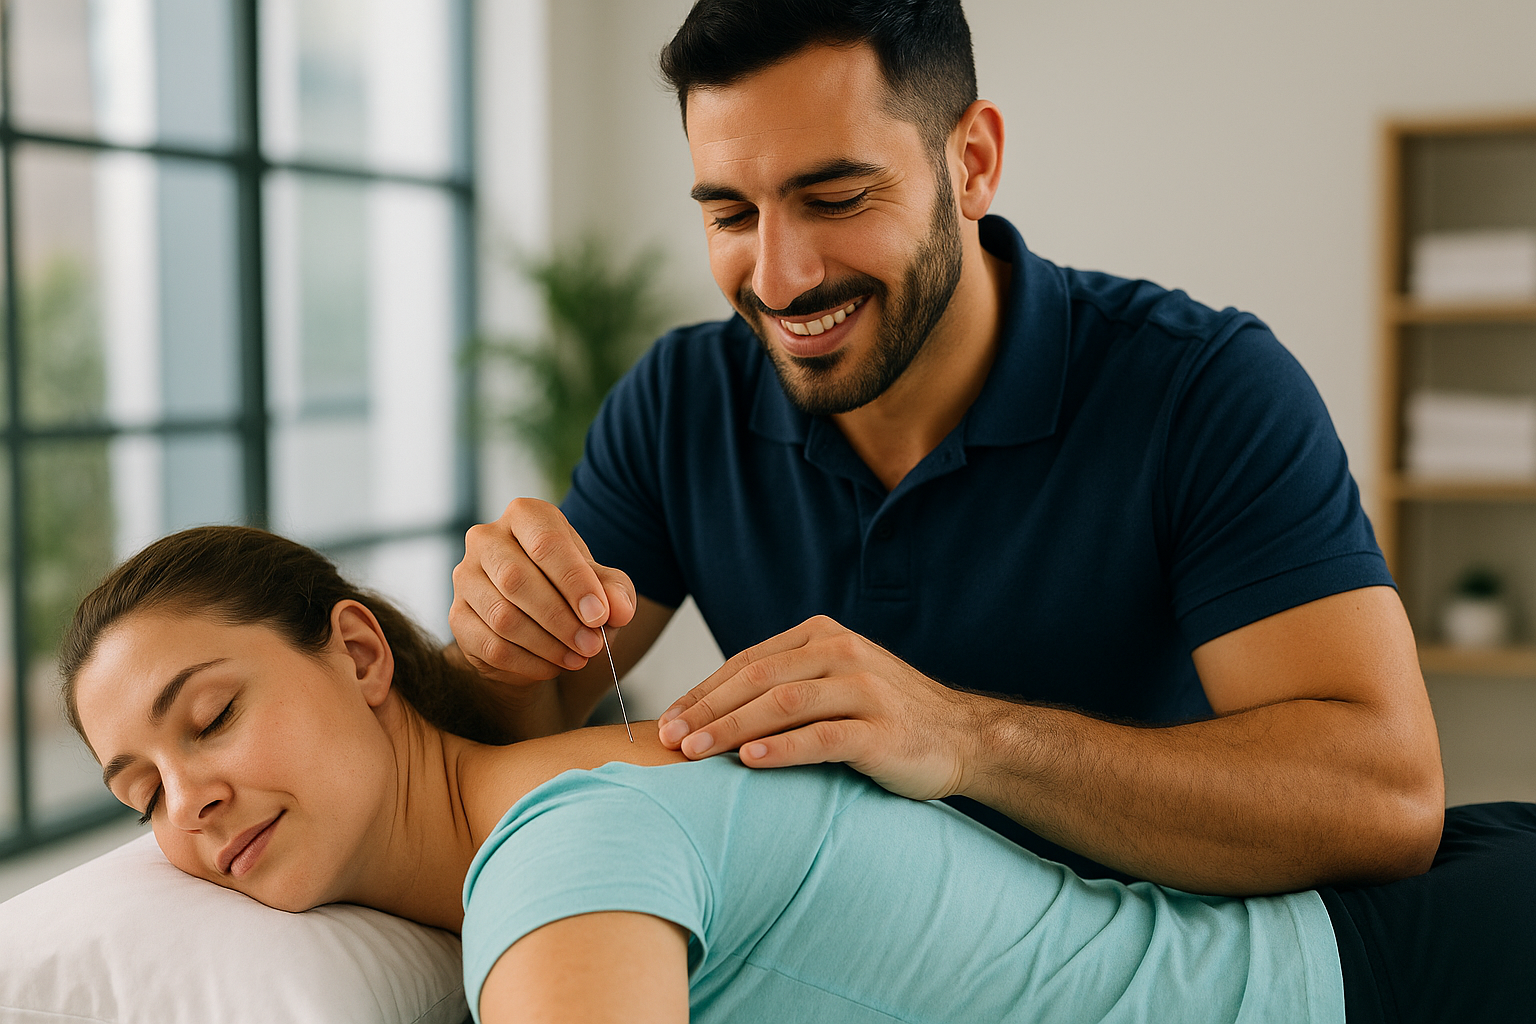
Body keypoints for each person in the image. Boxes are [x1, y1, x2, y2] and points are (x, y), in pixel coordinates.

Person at [449, 0, 1443, 893]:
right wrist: (504, 644)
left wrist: (966, 737)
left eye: (836, 199)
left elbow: (1386, 801)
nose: (781, 279)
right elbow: (513, 729)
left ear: (972, 163)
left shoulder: (1204, 387)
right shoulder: (680, 401)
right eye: (731, 214)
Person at [64, 527, 1536, 1024]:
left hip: (1399, 979)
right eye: (139, 793)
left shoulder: (561, 866)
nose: (187, 801)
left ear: (359, 653)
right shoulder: (579, 793)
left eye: (211, 717)